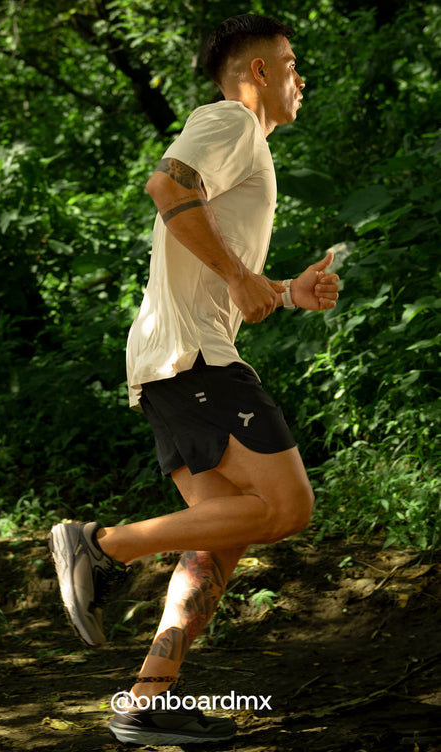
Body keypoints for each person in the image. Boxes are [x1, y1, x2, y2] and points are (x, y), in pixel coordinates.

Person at [49, 12, 340, 746]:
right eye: (292, 63)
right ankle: (101, 545)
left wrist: (285, 291)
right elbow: (166, 185)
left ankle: (146, 702)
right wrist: (241, 277)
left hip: (172, 358)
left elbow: (206, 260)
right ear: (259, 71)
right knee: (288, 506)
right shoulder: (231, 120)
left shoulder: (242, 145)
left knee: (221, 537)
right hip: (195, 359)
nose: (301, 78)